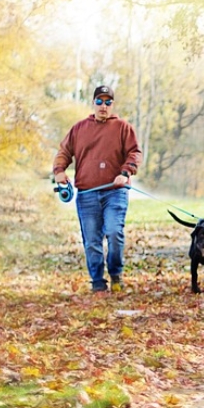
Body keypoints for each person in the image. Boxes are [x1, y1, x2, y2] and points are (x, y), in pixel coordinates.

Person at [53, 85, 142, 293]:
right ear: (93, 103)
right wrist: (59, 171)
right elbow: (64, 152)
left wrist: (126, 172)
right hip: (87, 194)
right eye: (100, 101)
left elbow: (134, 153)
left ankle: (116, 274)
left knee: (114, 232)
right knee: (92, 240)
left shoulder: (123, 128)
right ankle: (98, 283)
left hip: (115, 191)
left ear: (113, 105)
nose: (104, 106)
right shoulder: (79, 129)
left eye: (108, 102)